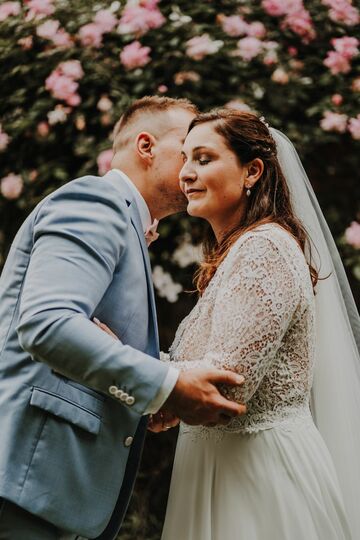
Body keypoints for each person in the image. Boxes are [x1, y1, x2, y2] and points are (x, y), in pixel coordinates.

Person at [0, 97, 246, 540]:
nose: (193, 167)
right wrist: (165, 386)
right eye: (187, 150)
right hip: (24, 482)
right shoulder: (96, 201)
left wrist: (154, 388)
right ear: (146, 146)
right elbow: (47, 323)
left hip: (50, 490)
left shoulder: (128, 224)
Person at [156, 109, 360, 539]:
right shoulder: (237, 253)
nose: (187, 174)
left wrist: (142, 381)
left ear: (252, 171)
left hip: (259, 476)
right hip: (221, 467)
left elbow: (228, 386)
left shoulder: (264, 249)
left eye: (205, 159)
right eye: (185, 160)